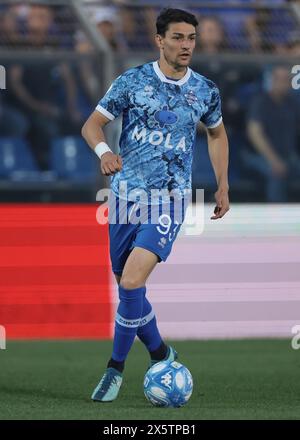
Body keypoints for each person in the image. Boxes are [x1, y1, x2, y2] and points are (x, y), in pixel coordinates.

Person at [81, 8, 229, 402]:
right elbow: (91, 124)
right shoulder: (133, 81)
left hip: (170, 200)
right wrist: (103, 152)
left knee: (131, 282)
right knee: (130, 290)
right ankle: (162, 353)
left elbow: (216, 134)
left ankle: (114, 370)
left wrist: (222, 184)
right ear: (159, 40)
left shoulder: (205, 90)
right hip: (126, 199)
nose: (186, 45)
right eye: (178, 38)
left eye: (192, 38)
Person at [245, 65, 300, 202]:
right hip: (256, 156)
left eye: (286, 80)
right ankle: (277, 215)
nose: (282, 83)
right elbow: (255, 133)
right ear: (271, 80)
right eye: (278, 79)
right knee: (276, 172)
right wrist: (273, 160)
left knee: (287, 166)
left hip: (287, 155)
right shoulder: (260, 101)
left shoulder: (292, 102)